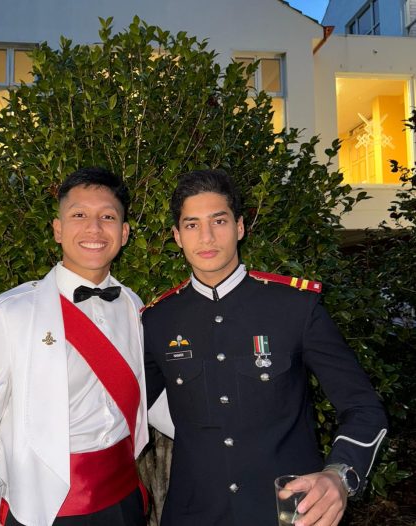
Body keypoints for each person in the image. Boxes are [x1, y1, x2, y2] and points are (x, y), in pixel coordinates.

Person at [143, 169, 388, 526]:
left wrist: (339, 474)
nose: (206, 237)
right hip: (194, 514)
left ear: (240, 227)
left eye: (219, 221)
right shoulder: (158, 320)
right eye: (192, 225)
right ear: (177, 237)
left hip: (290, 512)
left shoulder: (295, 307)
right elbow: (126, 406)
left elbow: (363, 407)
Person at [0, 167, 153, 526]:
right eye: (79, 215)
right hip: (43, 511)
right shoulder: (9, 315)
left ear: (124, 233)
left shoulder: (132, 304)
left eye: (108, 217)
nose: (94, 228)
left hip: (125, 501)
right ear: (58, 229)